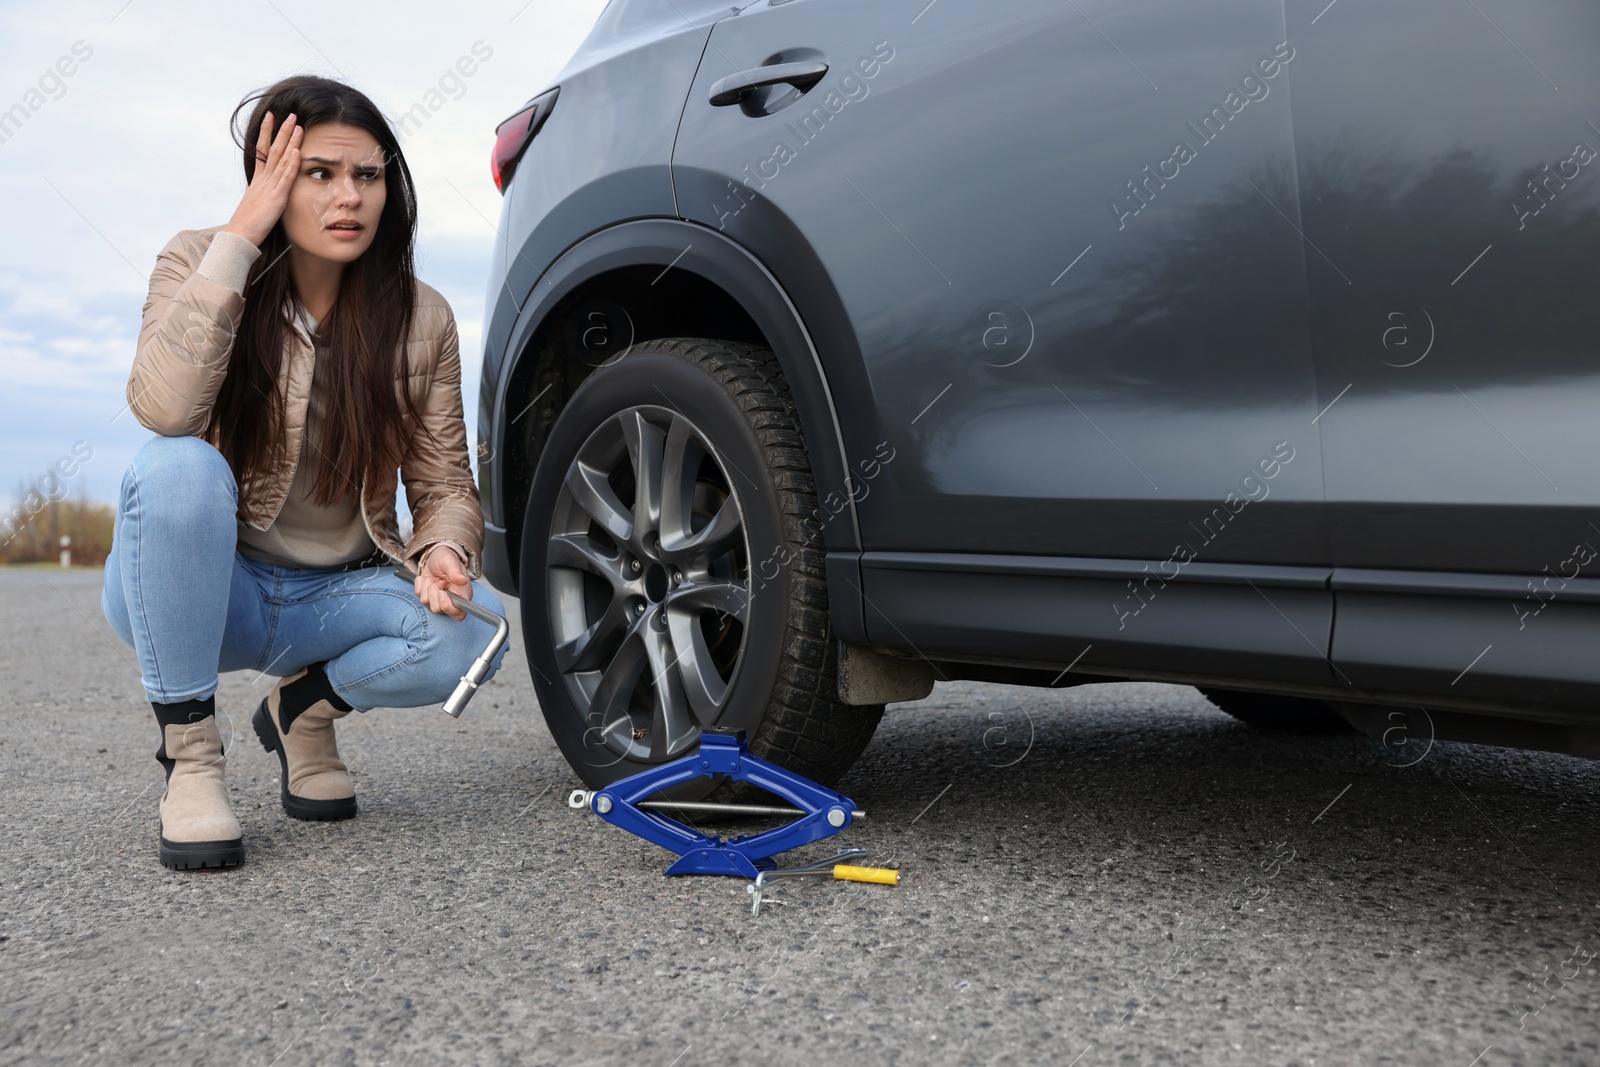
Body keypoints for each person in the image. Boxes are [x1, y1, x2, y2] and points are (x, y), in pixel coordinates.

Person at [101, 74, 508, 871]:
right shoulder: (196, 258)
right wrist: (244, 232)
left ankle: (302, 712)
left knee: (480, 634)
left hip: (335, 595)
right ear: (271, 173)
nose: (347, 196)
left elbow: (442, 482)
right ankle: (191, 762)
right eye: (318, 172)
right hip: (213, 591)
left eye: (367, 175)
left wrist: (444, 552)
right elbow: (165, 406)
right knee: (176, 466)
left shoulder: (420, 316)